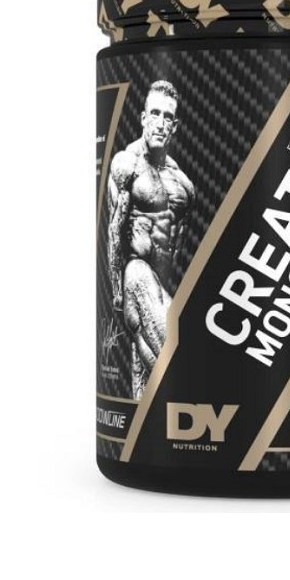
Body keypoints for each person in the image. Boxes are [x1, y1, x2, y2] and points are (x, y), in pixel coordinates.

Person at [107, 80, 194, 399]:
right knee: (176, 357)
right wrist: (118, 294)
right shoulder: (126, 165)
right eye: (154, 113)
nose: (160, 122)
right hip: (135, 275)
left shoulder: (183, 185)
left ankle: (143, 429)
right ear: (143, 118)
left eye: (167, 116)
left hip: (161, 285)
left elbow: (178, 244)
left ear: (175, 125)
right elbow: (115, 230)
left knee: (147, 388)